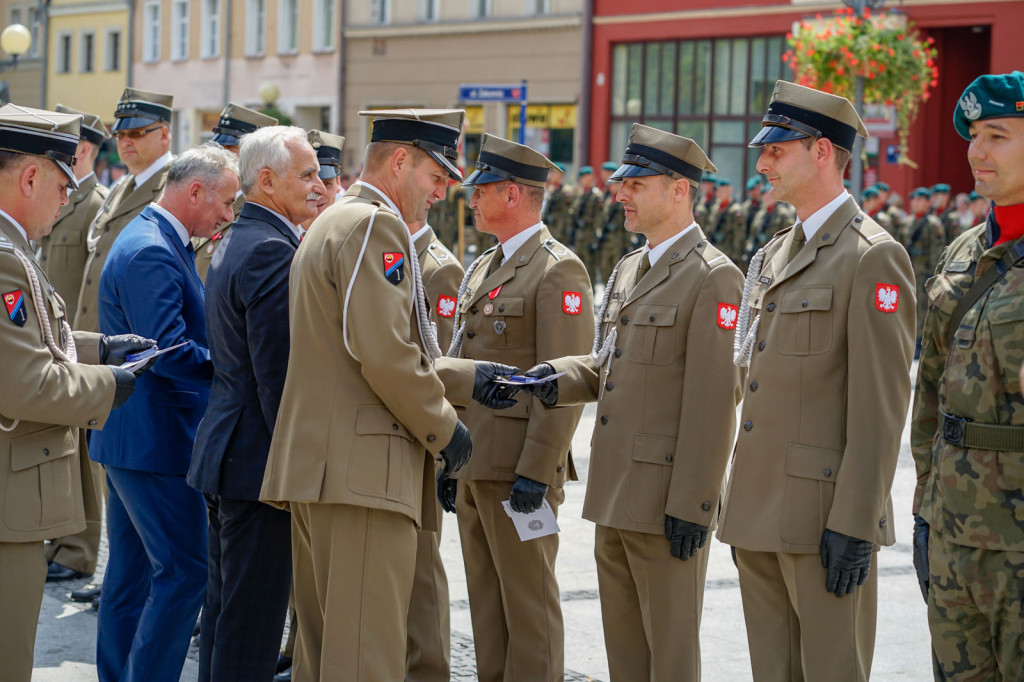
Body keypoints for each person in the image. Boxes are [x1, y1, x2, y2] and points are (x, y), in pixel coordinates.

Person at [259, 108, 511, 681]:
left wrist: (465, 377)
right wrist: (446, 430)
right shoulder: (376, 226)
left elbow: (352, 349)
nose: (443, 192)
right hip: (363, 477)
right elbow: (385, 353)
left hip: (323, 469)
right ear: (400, 161)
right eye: (436, 176)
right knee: (364, 661)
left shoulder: (333, 219)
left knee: (322, 657)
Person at [516, 124, 743, 681]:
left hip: (665, 503)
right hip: (614, 492)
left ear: (679, 189)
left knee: (669, 658)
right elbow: (609, 364)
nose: (620, 194)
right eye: (623, 183)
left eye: (636, 184)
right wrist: (556, 375)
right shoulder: (628, 268)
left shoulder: (713, 277)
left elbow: (715, 404)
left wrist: (694, 505)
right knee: (624, 653)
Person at [717, 80, 916, 682]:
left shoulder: (871, 256)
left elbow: (881, 406)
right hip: (758, 513)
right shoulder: (778, 252)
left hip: (822, 519)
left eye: (777, 150)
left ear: (822, 152)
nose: (763, 164)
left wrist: (856, 522)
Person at [0, 103, 150, 682]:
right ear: (29, 177)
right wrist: (110, 384)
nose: (67, 199)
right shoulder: (6, 260)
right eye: (62, 185)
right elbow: (24, 383)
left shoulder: (13, 249)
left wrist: (99, 348)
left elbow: (33, 342)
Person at [441, 133, 594, 681]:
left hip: (518, 472)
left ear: (511, 194)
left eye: (481, 190)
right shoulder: (486, 264)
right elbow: (464, 363)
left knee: (529, 611)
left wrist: (537, 469)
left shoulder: (557, 270)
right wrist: (449, 457)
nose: (471, 200)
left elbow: (565, 383)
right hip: (475, 464)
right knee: (486, 608)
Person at [91, 144, 240, 682]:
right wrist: (235, 366)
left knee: (131, 577)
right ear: (195, 191)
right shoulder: (153, 249)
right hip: (156, 441)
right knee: (184, 574)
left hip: (139, 438)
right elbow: (168, 352)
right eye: (227, 201)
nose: (229, 215)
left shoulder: (155, 238)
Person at [187, 127, 323, 682]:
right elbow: (279, 379)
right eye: (307, 174)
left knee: (226, 616)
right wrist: (299, 472)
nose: (319, 186)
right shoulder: (271, 250)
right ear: (266, 180)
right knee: (251, 628)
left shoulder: (240, 237)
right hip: (258, 469)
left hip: (229, 455)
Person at [910, 70, 1024, 681]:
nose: (978, 151)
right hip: (952, 532)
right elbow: (930, 392)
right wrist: (924, 509)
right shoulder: (961, 253)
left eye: (998, 136)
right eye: (974, 136)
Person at [36, 104, 112, 584]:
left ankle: (80, 548)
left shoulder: (95, 203)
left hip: (76, 343)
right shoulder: (66, 198)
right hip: (53, 342)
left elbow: (92, 283)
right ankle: (61, 541)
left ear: (82, 148)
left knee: (84, 457)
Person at [405, 212, 464, 681]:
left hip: (423, 441)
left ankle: (427, 670)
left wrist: (442, 450)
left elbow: (440, 362)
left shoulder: (438, 268)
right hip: (398, 435)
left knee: (421, 567)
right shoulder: (390, 251)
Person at [74, 88, 174, 335]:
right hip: (94, 336)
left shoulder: (174, 186)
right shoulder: (122, 186)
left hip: (132, 338)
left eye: (136, 133)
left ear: (164, 134)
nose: (125, 141)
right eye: (120, 134)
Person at [194, 102, 278, 281]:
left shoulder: (259, 210)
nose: (220, 157)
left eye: (231, 150)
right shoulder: (207, 199)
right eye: (218, 148)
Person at [899, 187, 946, 355]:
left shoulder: (933, 224)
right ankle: (908, 338)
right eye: (914, 199)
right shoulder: (906, 223)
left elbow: (937, 252)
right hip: (908, 272)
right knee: (907, 306)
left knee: (924, 309)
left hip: (924, 274)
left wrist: (934, 275)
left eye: (920, 200)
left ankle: (921, 341)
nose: (916, 203)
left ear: (927, 203)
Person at [297, 129, 345, 232]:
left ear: (338, 183)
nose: (319, 191)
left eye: (327, 183)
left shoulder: (350, 233)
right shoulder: (277, 233)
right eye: (308, 182)